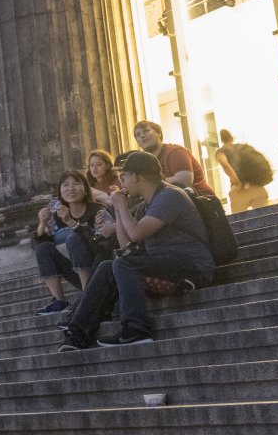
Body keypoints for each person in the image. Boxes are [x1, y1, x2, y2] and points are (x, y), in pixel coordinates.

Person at [60, 150, 216, 351]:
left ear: (136, 177)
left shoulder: (170, 196)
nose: (122, 181)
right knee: (109, 266)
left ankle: (136, 328)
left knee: (123, 264)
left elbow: (136, 234)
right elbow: (127, 246)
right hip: (162, 264)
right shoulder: (145, 206)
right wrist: (118, 208)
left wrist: (122, 206)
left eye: (124, 176)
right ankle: (77, 333)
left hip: (192, 267)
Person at [33, 170, 108, 315]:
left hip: (97, 270)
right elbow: (39, 242)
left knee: (73, 238)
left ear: (85, 189)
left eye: (76, 183)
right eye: (65, 185)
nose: (71, 188)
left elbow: (101, 243)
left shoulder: (97, 209)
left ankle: (88, 296)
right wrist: (42, 223)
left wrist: (70, 222)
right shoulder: (57, 216)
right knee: (43, 248)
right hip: (73, 270)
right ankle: (58, 300)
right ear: (60, 192)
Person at [133, 120, 213, 195]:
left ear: (159, 133)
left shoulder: (176, 152)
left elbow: (185, 181)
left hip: (201, 201)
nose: (142, 136)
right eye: (138, 135)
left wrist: (149, 184)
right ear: (138, 143)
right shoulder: (144, 162)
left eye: (146, 131)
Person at [216, 129, 270, 213]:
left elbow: (225, 164)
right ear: (231, 138)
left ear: (222, 140)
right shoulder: (244, 147)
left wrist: (237, 182)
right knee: (265, 220)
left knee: (239, 223)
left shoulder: (221, 151)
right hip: (257, 187)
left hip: (240, 190)